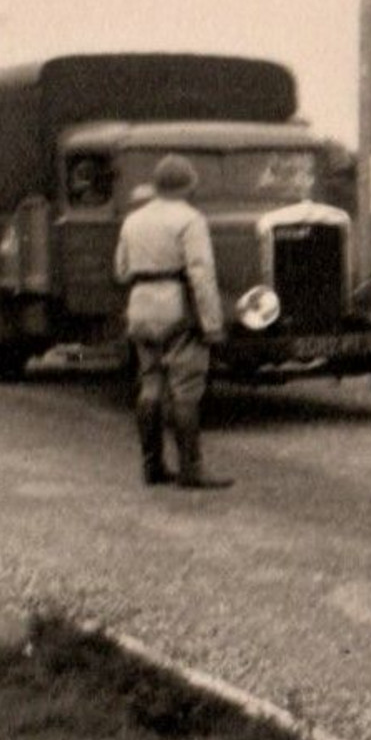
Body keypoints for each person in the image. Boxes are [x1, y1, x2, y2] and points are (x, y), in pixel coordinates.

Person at [114, 155, 232, 490]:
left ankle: (152, 467)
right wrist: (211, 324)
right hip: (176, 307)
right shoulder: (190, 219)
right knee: (186, 390)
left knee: (150, 384)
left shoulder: (133, 220)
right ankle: (191, 469)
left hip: (140, 307)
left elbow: (121, 271)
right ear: (189, 186)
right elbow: (202, 274)